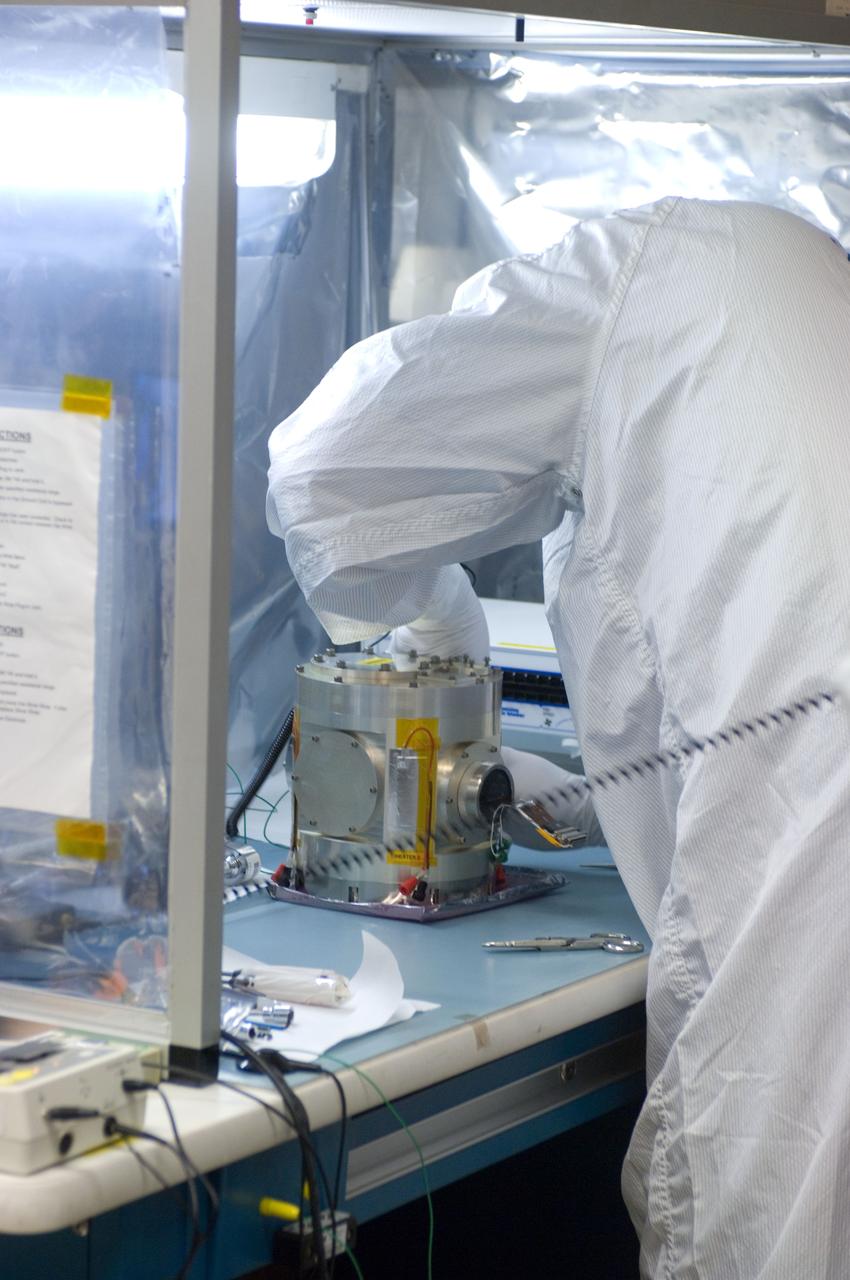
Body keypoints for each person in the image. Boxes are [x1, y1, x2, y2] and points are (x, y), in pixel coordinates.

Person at [267, 196, 850, 1278]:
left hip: (810, 884)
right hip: (801, 808)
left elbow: (323, 474)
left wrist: (435, 620)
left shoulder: (629, 267)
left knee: (760, 1208)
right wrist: (582, 793)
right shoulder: (790, 288)